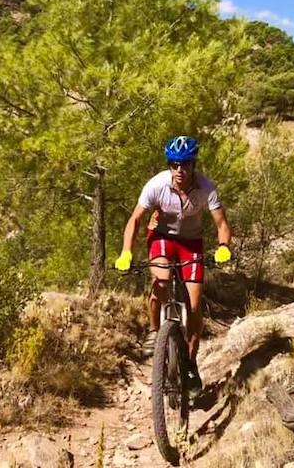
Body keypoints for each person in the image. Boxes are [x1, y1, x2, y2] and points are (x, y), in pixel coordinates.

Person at [115, 135, 232, 398]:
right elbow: (135, 220)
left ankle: (190, 364)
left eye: (186, 164)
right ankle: (156, 332)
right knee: (162, 282)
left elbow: (222, 224)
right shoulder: (156, 185)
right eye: (174, 164)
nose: (180, 170)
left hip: (191, 243)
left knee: (193, 305)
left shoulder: (206, 188)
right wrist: (125, 252)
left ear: (193, 164)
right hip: (163, 239)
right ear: (169, 165)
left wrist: (224, 246)